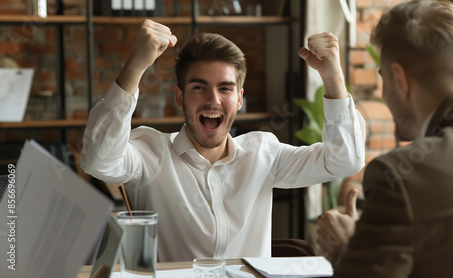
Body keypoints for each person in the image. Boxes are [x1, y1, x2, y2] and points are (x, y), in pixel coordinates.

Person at [81, 19, 366, 262]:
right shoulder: (149, 151)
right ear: (180, 97)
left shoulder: (264, 154)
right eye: (199, 87)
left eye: (225, 88)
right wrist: (135, 67)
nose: (213, 99)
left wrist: (333, 78)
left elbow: (344, 160)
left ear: (239, 99)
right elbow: (97, 161)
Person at [315, 0, 453, 277]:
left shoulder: (402, 178)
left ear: (399, 79)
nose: (383, 94)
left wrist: (344, 248)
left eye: (383, 79)